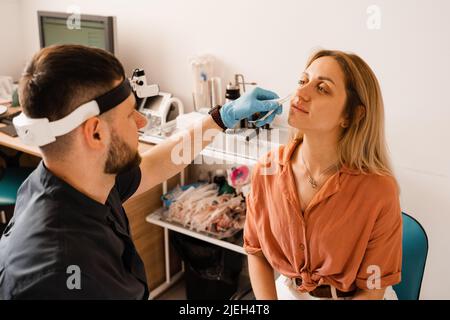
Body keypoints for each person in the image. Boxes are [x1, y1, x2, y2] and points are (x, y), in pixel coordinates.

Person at [0, 44, 282, 299]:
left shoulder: (73, 178)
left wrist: (222, 117)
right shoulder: (60, 275)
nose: (141, 123)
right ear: (95, 133)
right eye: (130, 113)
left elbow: (157, 164)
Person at [244, 49, 402, 300]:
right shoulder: (267, 169)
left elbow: (373, 288)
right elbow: (256, 251)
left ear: (351, 115)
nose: (300, 93)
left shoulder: (379, 190)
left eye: (322, 89)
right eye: (302, 81)